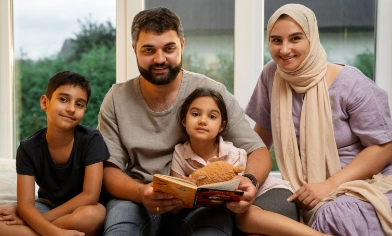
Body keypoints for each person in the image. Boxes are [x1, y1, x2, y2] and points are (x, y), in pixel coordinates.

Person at [98, 7, 298, 236]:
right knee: (120, 230)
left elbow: (258, 150)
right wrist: (141, 192)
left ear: (182, 45)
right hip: (138, 197)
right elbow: (109, 169)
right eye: (148, 50)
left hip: (200, 203)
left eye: (169, 48)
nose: (160, 58)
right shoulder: (116, 98)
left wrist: (249, 182)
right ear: (134, 50)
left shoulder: (211, 92)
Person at [245, 3, 392, 236]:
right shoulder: (271, 75)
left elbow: (384, 148)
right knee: (247, 216)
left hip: (362, 182)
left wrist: (328, 186)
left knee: (332, 214)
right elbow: (261, 138)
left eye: (295, 38)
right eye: (276, 40)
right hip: (301, 187)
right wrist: (243, 175)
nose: (284, 49)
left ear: (312, 38)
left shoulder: (351, 83)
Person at [171, 87, 329, 236]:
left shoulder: (233, 154)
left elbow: (239, 195)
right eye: (195, 114)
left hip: (274, 196)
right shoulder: (180, 153)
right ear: (184, 121)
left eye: (212, 116)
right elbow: (177, 193)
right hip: (240, 213)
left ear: (221, 126)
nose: (203, 121)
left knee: (246, 218)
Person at [0, 71, 110, 236]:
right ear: (45, 102)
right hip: (48, 204)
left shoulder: (91, 140)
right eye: (63, 99)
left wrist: (38, 221)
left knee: (91, 217)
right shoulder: (27, 148)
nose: (71, 109)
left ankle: (34, 231)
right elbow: (26, 205)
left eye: (79, 104)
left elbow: (90, 196)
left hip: (83, 207)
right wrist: (54, 232)